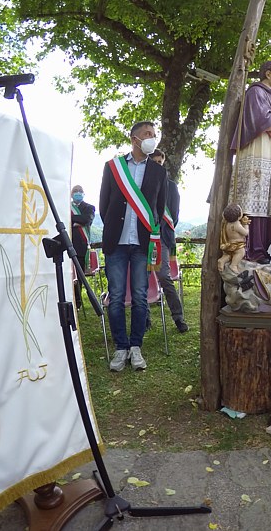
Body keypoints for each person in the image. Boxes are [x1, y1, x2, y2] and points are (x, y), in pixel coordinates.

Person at [100, 121, 167, 372]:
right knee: (116, 296)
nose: (152, 138)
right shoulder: (113, 167)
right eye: (148, 134)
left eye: (154, 134)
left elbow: (159, 209)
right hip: (117, 242)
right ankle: (121, 347)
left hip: (142, 244)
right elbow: (104, 204)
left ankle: (136, 346)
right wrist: (114, 228)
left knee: (139, 296)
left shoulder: (159, 172)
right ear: (134, 139)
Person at [230, 61, 271, 264]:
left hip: (268, 152)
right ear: (268, 73)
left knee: (267, 198)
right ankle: (252, 249)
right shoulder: (256, 92)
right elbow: (262, 121)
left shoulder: (268, 97)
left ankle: (265, 248)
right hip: (256, 151)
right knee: (255, 195)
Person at [148, 149, 188, 333]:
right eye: (153, 162)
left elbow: (175, 215)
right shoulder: (142, 185)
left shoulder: (170, 186)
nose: (157, 164)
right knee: (141, 279)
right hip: (143, 238)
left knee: (164, 276)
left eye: (160, 162)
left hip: (161, 238)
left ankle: (178, 317)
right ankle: (144, 318)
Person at [70, 184, 95, 309]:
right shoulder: (66, 208)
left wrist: (73, 219)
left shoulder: (89, 207)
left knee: (79, 276)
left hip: (81, 247)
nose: (78, 193)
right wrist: (76, 221)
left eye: (80, 191)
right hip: (67, 245)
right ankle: (69, 300)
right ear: (71, 194)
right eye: (75, 191)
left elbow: (87, 219)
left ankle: (77, 304)